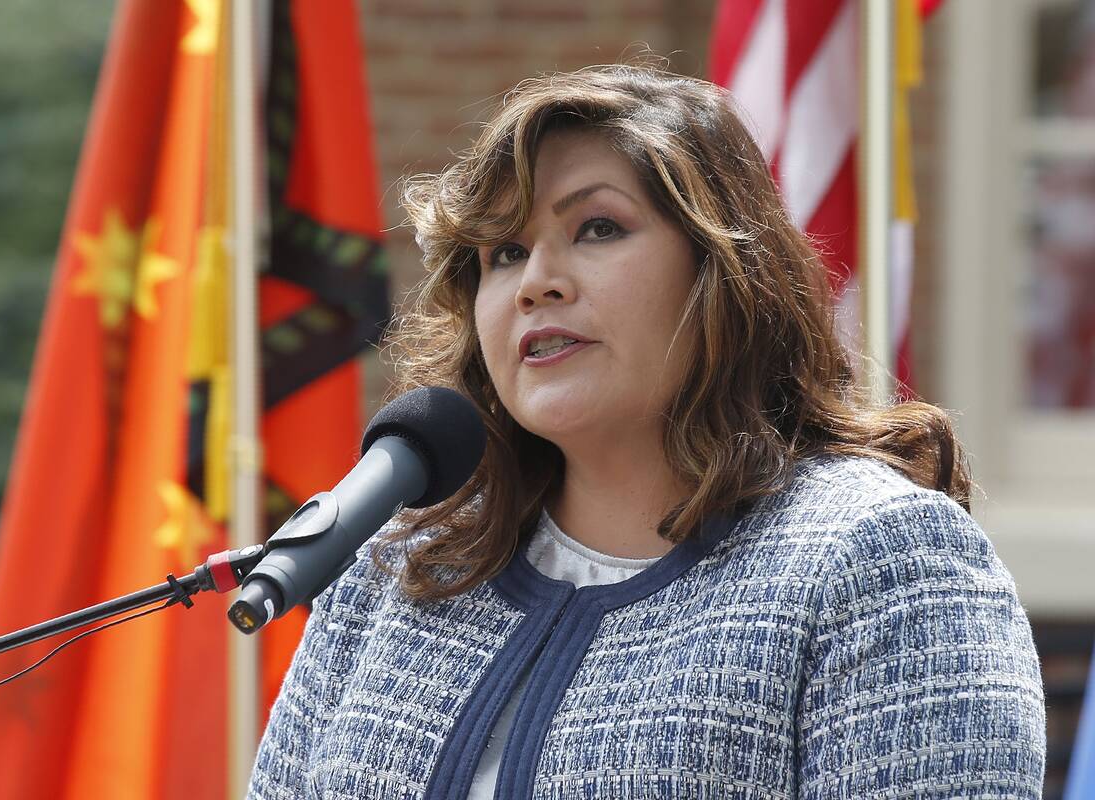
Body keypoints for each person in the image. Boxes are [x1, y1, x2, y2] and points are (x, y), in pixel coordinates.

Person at [248, 63, 1046, 799]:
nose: (536, 283)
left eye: (597, 228)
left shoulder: (875, 561)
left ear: (722, 275)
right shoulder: (394, 574)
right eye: (503, 252)